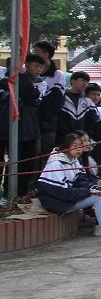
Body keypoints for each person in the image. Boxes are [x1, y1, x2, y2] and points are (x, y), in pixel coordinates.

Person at [36, 133, 101, 243]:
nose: (78, 149)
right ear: (65, 147)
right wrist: (87, 191)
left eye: (80, 145)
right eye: (74, 146)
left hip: (68, 198)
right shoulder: (55, 164)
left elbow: (80, 181)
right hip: (57, 202)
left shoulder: (74, 160)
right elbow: (63, 193)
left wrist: (96, 184)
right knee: (97, 198)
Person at [0, 53, 45, 198]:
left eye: (41, 67)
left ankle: (20, 192)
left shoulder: (38, 81)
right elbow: (31, 95)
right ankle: (9, 192)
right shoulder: (14, 79)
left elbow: (34, 97)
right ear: (26, 65)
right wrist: (22, 76)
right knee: (13, 161)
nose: (38, 70)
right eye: (36, 66)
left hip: (29, 127)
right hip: (13, 126)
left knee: (27, 161)